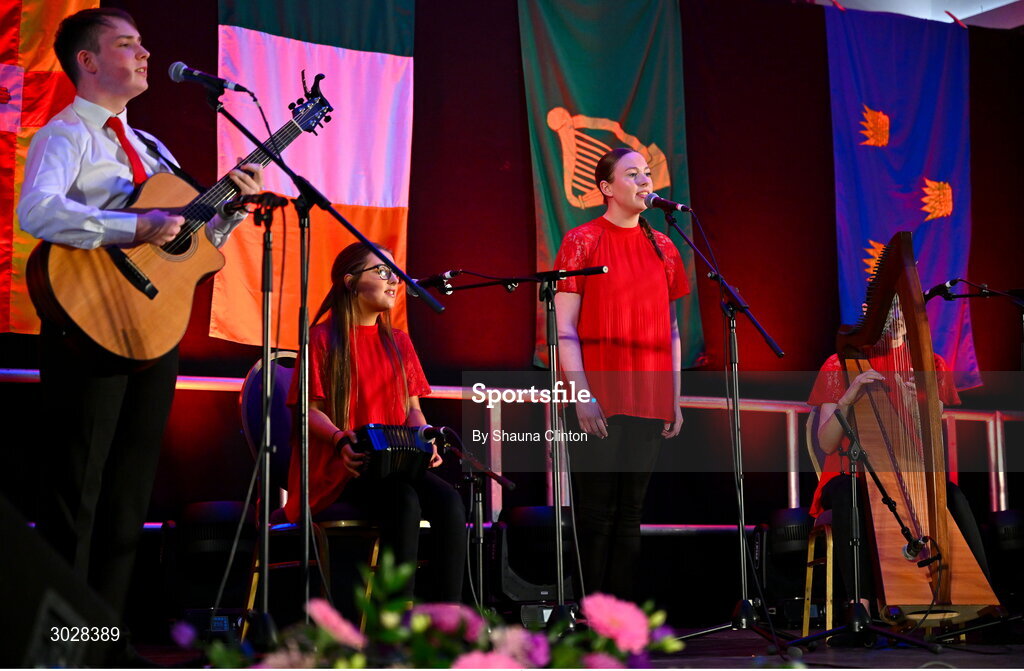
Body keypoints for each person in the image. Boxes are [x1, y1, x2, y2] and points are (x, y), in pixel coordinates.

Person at [16, 8, 263, 622]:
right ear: (89, 62)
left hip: (153, 326)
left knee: (130, 497)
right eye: (127, 44)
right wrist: (135, 226)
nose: (145, 53)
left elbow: (187, 241)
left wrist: (229, 208)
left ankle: (106, 638)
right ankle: (59, 646)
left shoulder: (153, 149)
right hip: (87, 321)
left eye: (144, 43)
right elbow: (38, 213)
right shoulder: (64, 135)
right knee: (77, 493)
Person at [283, 242, 466, 602]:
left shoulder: (398, 340)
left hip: (394, 464)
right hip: (345, 468)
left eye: (396, 273)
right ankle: (393, 620)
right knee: (405, 501)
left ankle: (450, 619)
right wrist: (339, 440)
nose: (394, 280)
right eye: (382, 271)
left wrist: (423, 436)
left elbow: (412, 406)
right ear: (350, 282)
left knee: (449, 501)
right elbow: (308, 412)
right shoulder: (320, 338)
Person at [553, 147, 688, 601]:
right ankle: (587, 614)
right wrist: (581, 394)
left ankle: (620, 621)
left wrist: (674, 396)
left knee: (631, 511)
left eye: (648, 173)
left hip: (650, 392)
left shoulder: (664, 245)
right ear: (607, 188)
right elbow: (564, 325)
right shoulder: (582, 240)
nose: (645, 181)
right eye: (632, 174)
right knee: (595, 513)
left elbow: (671, 329)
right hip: (601, 391)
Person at [808, 317, 991, 609]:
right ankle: (861, 609)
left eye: (900, 304)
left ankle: (983, 606)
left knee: (952, 494)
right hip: (849, 476)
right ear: (873, 311)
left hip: (910, 477)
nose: (896, 314)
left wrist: (913, 406)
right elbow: (827, 443)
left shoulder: (932, 364)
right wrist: (848, 398)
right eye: (889, 304)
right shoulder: (839, 363)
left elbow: (933, 445)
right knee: (848, 493)